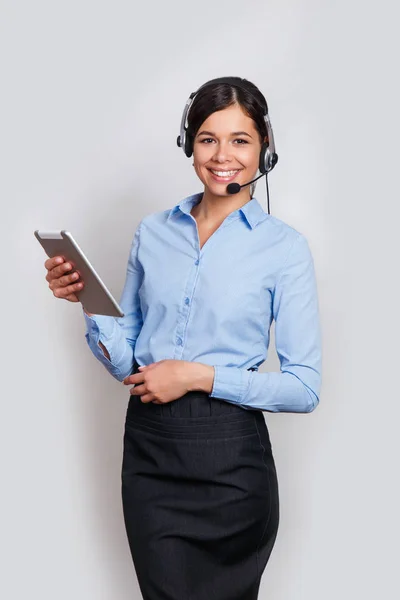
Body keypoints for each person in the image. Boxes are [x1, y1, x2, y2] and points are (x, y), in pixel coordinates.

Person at [44, 76, 322, 600]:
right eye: (207, 139)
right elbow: (129, 360)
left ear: (265, 148)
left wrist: (197, 375)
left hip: (232, 464)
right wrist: (86, 299)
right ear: (188, 144)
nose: (223, 156)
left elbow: (304, 387)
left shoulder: (285, 250)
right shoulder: (154, 231)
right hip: (150, 454)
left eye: (240, 140)